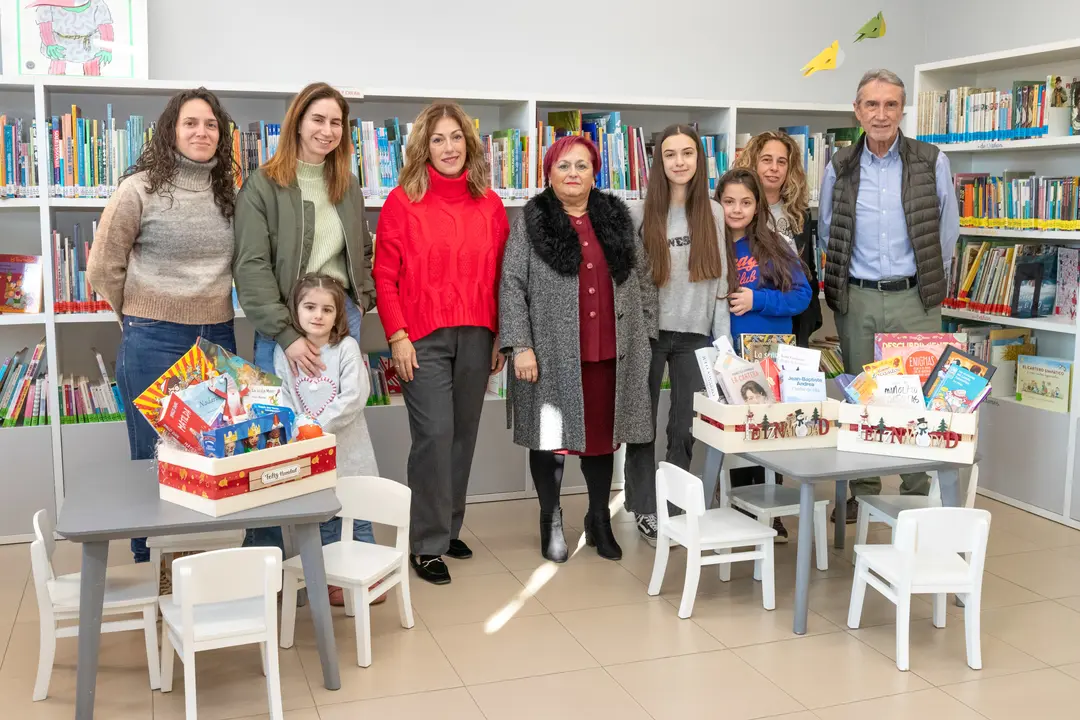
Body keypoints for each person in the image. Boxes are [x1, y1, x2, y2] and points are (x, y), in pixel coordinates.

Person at [86, 88, 238, 563]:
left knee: (211, 455)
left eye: (210, 125)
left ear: (222, 134)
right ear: (171, 130)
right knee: (154, 457)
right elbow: (102, 268)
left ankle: (199, 564)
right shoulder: (139, 189)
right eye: (190, 123)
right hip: (153, 337)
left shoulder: (230, 191)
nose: (201, 132)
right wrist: (134, 317)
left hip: (217, 336)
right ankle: (151, 565)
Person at [234, 81, 376, 549]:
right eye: (318, 119)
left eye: (337, 122)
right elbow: (250, 265)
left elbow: (359, 252)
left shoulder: (347, 186)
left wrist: (364, 300)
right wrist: (285, 334)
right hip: (281, 327)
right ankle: (266, 556)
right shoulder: (263, 185)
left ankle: (346, 553)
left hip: (340, 326)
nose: (328, 130)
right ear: (297, 122)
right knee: (273, 437)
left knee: (341, 436)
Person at [500, 135, 653, 563]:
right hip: (549, 355)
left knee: (602, 443)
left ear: (594, 173)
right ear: (549, 173)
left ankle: (599, 519)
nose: (573, 174)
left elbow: (642, 280)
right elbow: (511, 286)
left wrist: (647, 335)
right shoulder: (531, 224)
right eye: (563, 166)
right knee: (549, 441)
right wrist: (520, 345)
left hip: (609, 353)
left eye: (581, 166)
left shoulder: (617, 221)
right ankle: (550, 519)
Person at [374, 101, 509, 585]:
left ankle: (449, 527)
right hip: (421, 338)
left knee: (463, 435)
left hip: (478, 334)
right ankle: (426, 542)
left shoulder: (490, 203)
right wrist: (397, 336)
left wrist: (500, 337)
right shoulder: (400, 201)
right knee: (433, 437)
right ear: (423, 148)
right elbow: (384, 276)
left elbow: (501, 278)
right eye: (438, 139)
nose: (449, 147)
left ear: (469, 145)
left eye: (456, 137)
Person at [819, 68, 961, 522]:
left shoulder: (930, 160)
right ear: (857, 111)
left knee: (917, 397)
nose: (881, 115)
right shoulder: (839, 164)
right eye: (871, 105)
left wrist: (923, 282)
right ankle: (863, 488)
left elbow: (946, 230)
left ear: (903, 110)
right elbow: (826, 230)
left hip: (914, 298)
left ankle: (916, 492)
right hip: (857, 298)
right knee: (864, 395)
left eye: (891, 105)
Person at [623, 124, 728, 547]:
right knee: (641, 424)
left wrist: (721, 344)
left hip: (696, 335)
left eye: (688, 153)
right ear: (658, 162)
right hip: (649, 333)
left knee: (685, 427)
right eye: (670, 154)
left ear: (699, 160)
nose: (680, 162)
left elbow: (719, 281)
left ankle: (678, 505)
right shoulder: (638, 213)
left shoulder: (715, 213)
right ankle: (645, 508)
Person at [725, 131, 824, 540]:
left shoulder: (776, 242)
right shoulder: (712, 244)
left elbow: (801, 295)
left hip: (769, 352)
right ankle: (735, 508)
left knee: (768, 431)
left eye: (746, 203)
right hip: (726, 355)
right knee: (734, 434)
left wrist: (758, 300)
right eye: (730, 202)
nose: (738, 209)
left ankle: (767, 511)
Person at [275, 274, 379, 605]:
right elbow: (284, 397)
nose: (318, 315)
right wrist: (301, 428)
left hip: (349, 449)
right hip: (310, 453)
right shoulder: (285, 353)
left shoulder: (345, 348)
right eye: (310, 307)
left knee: (358, 512)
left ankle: (369, 578)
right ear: (296, 310)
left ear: (338, 315)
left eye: (327, 309)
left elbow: (353, 396)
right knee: (324, 516)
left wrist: (317, 427)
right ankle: (333, 578)